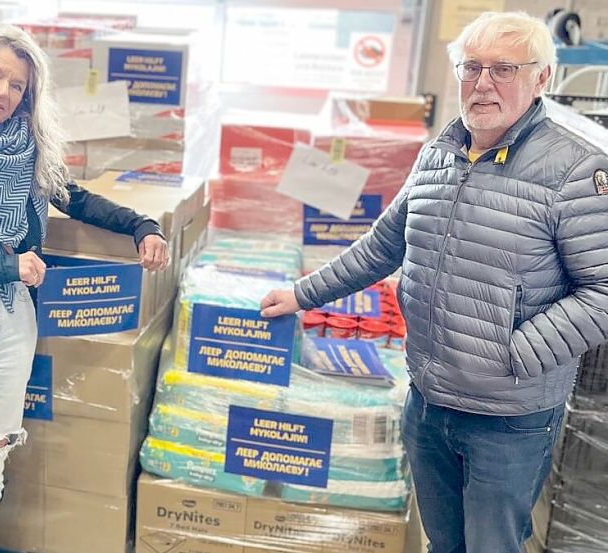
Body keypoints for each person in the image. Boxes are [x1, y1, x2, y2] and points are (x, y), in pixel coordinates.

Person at [260, 11, 608, 553]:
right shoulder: (440, 153)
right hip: (427, 400)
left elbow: (602, 292)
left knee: (491, 545)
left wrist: (515, 352)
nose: (483, 83)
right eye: (472, 67)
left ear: (541, 77)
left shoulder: (576, 170)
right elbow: (383, 246)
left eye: (504, 69)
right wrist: (302, 294)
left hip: (507, 419)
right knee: (443, 543)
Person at [0, 26, 170, 553]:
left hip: (14, 315)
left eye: (17, 85)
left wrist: (142, 225)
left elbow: (75, 198)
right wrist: (6, 265)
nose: (2, 91)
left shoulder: (28, 149)